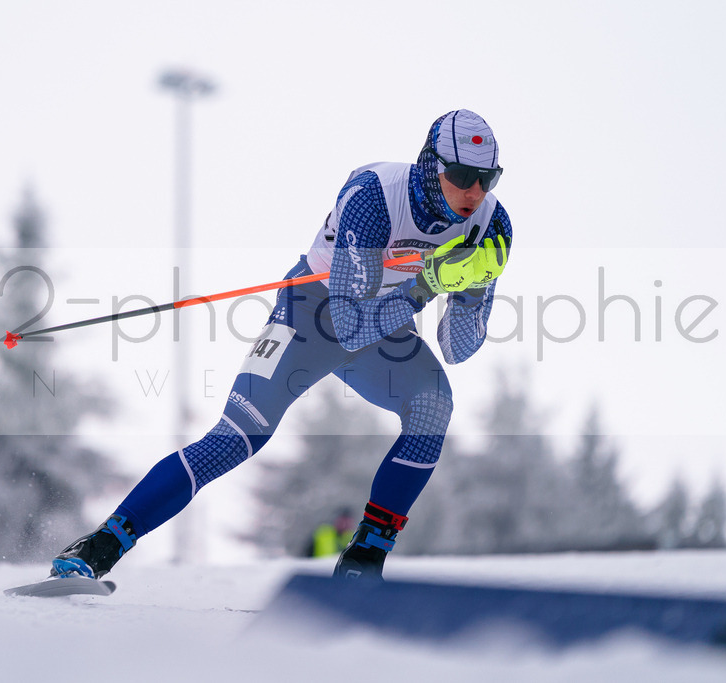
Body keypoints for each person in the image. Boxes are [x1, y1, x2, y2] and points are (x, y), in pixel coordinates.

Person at [51, 109, 512, 581]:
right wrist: (429, 284)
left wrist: (472, 287)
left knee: (434, 407)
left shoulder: (491, 225)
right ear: (431, 167)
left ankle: (364, 561)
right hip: (313, 313)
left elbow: (457, 349)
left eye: (488, 178)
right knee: (238, 437)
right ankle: (100, 545)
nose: (474, 192)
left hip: (385, 323)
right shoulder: (374, 195)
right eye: (461, 176)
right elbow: (348, 326)